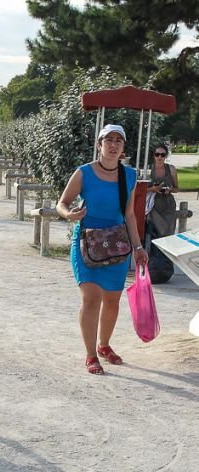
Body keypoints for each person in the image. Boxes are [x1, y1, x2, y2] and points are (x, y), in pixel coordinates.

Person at [56, 124, 148, 375]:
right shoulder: (83, 173)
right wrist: (70, 214)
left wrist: (138, 246)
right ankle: (90, 355)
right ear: (99, 144)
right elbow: (62, 203)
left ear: (123, 148)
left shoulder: (128, 176)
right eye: (108, 139)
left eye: (119, 140)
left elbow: (129, 214)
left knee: (112, 300)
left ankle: (104, 345)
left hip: (117, 243)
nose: (113, 144)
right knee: (91, 297)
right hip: (87, 242)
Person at [145, 144, 180, 283]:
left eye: (163, 155)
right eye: (157, 154)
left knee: (168, 234)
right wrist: (153, 189)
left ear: (166, 156)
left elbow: (177, 188)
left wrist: (168, 190)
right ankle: (154, 266)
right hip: (153, 205)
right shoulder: (148, 170)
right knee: (156, 234)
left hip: (168, 205)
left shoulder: (170, 169)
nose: (159, 157)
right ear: (153, 155)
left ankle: (165, 267)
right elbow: (140, 189)